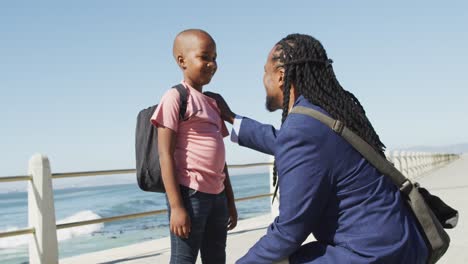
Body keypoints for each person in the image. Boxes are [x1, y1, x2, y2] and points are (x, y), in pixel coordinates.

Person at [206, 33, 428, 263]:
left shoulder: (302, 129)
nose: (263, 79)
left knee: (273, 258)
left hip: (371, 255)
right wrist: (232, 118)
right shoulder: (332, 112)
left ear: (281, 76)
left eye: (265, 72)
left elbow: (288, 232)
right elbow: (286, 143)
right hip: (405, 242)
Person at [151, 29, 237, 264]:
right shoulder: (175, 97)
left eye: (215, 57)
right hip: (191, 195)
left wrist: (230, 199)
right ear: (182, 61)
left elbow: (220, 157)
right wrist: (177, 206)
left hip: (217, 196)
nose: (212, 64)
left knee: (217, 257)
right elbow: (164, 154)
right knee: (183, 259)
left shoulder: (213, 102)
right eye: (205, 57)